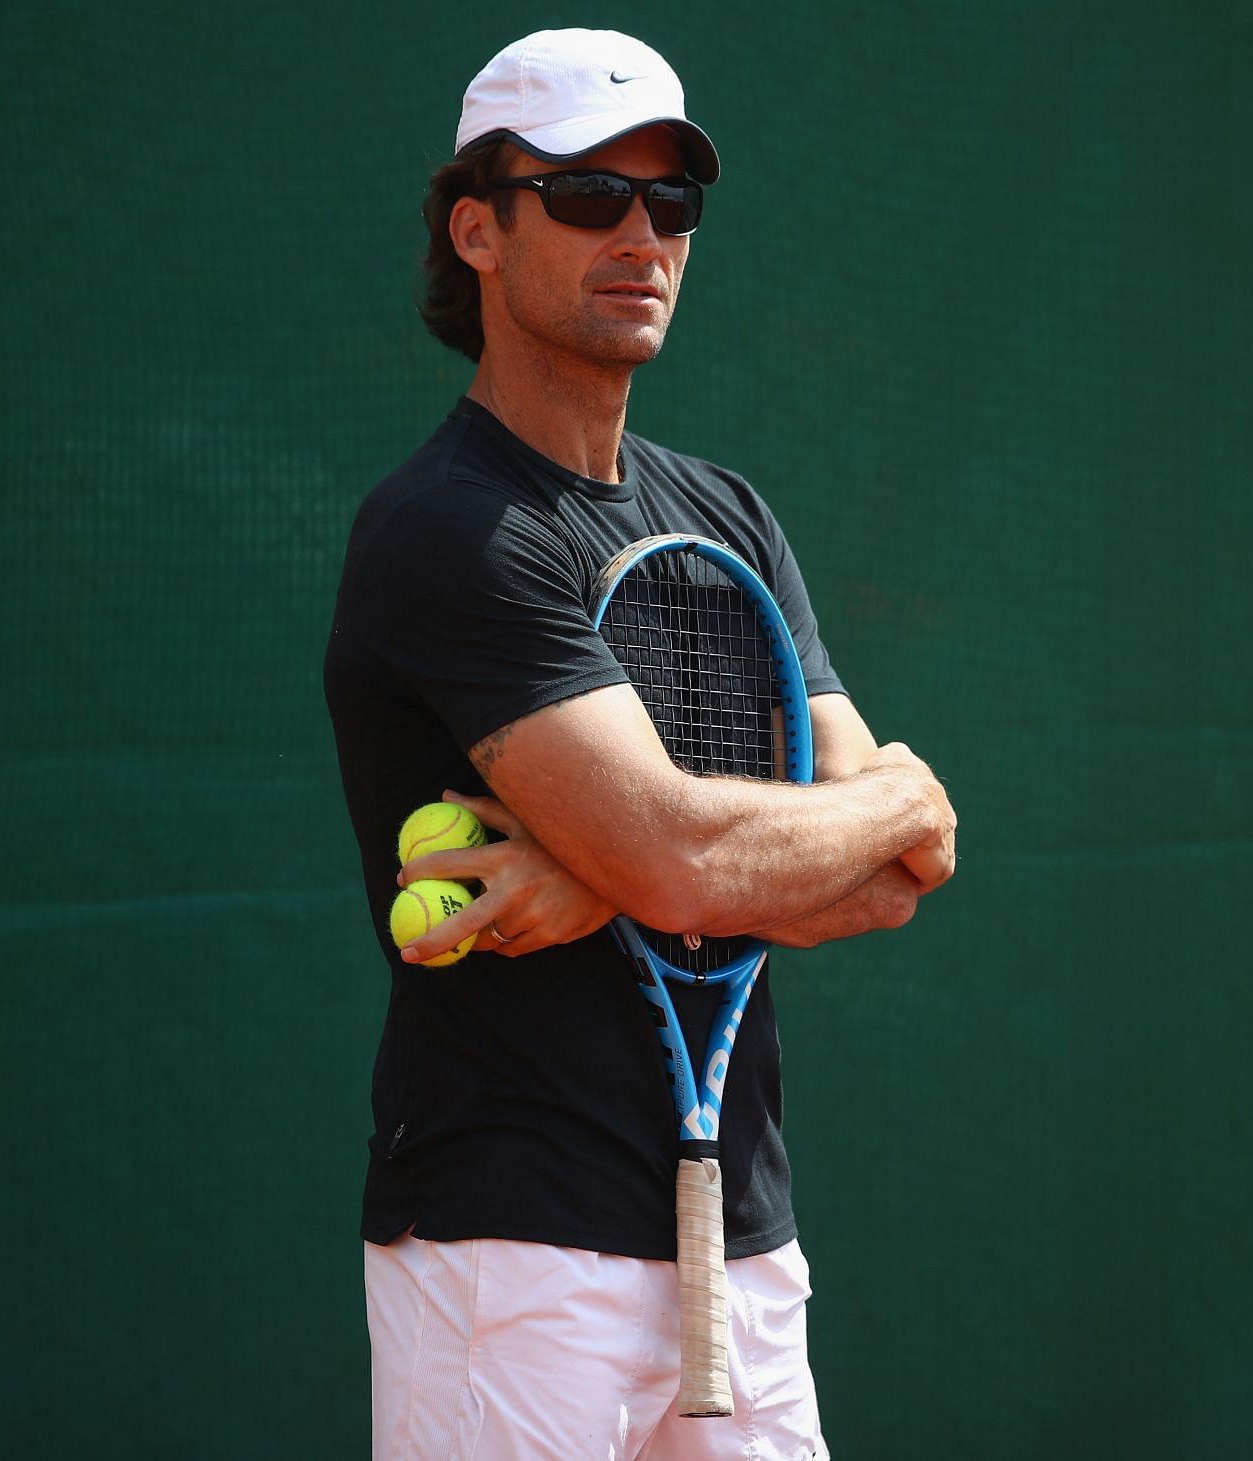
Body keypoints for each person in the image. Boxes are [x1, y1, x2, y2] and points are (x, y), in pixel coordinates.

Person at [323, 28, 957, 1461]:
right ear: (476, 228)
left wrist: (607, 872)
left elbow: (904, 865)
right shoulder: (449, 532)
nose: (641, 235)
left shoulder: (725, 512)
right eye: (588, 196)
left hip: (739, 1250)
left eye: (670, 203)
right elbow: (704, 852)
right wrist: (711, 849)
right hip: (512, 1252)